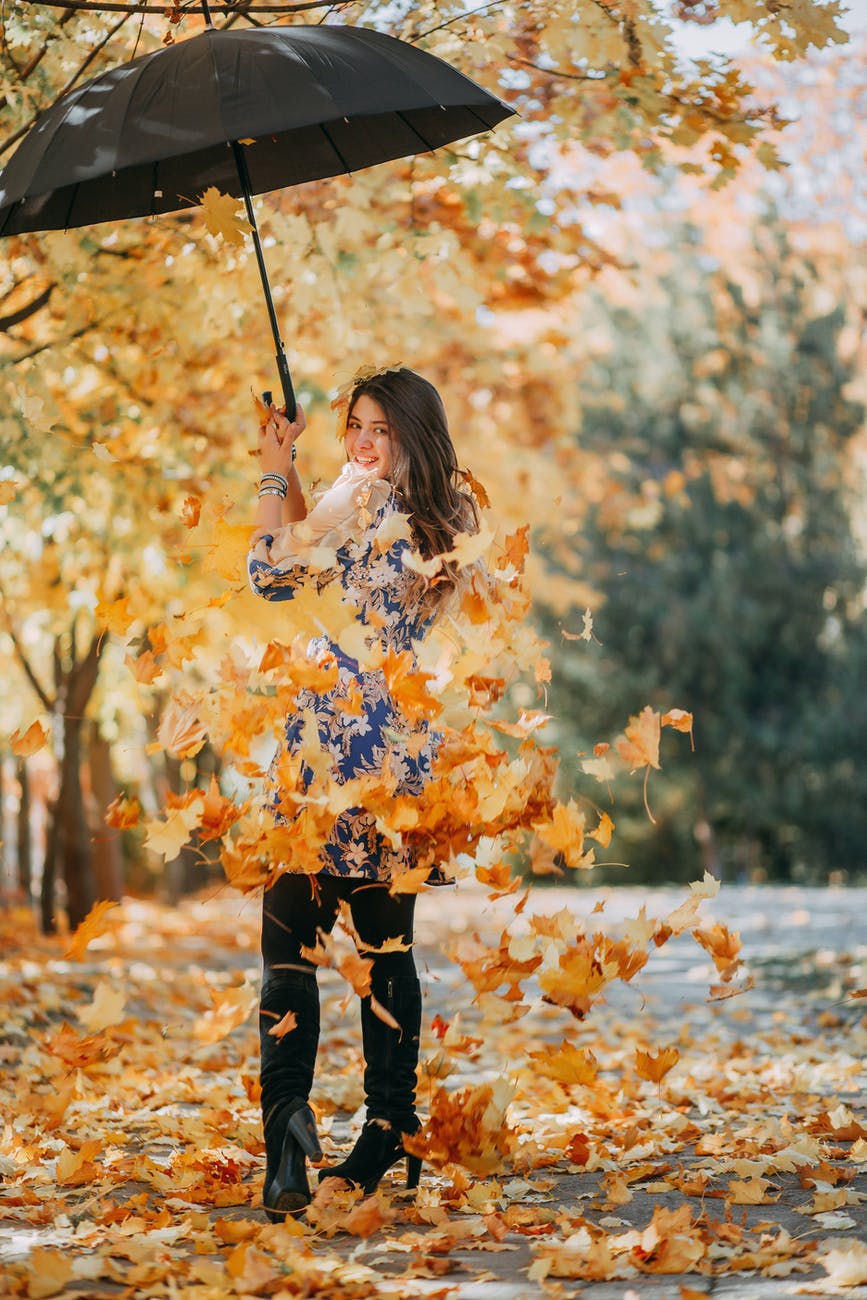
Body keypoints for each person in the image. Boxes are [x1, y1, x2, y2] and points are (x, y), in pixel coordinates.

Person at [246, 367, 479, 1219]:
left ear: (413, 433)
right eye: (353, 426)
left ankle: (286, 1138)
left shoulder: (370, 501)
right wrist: (309, 474)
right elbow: (330, 546)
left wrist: (276, 472)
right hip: (389, 748)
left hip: (328, 746)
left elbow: (274, 570)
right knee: (383, 951)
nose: (361, 443)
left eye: (378, 429)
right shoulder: (451, 514)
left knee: (290, 946)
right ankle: (385, 1132)